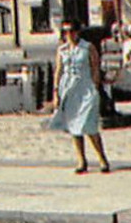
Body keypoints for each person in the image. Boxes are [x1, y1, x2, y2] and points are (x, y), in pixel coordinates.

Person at [46, 19, 112, 174]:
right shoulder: (62, 50)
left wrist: (95, 88)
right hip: (69, 89)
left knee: (89, 124)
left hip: (85, 88)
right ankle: (81, 160)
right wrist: (56, 92)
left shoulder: (87, 48)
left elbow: (95, 68)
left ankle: (102, 158)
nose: (69, 34)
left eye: (72, 31)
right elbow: (59, 71)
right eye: (65, 31)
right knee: (74, 126)